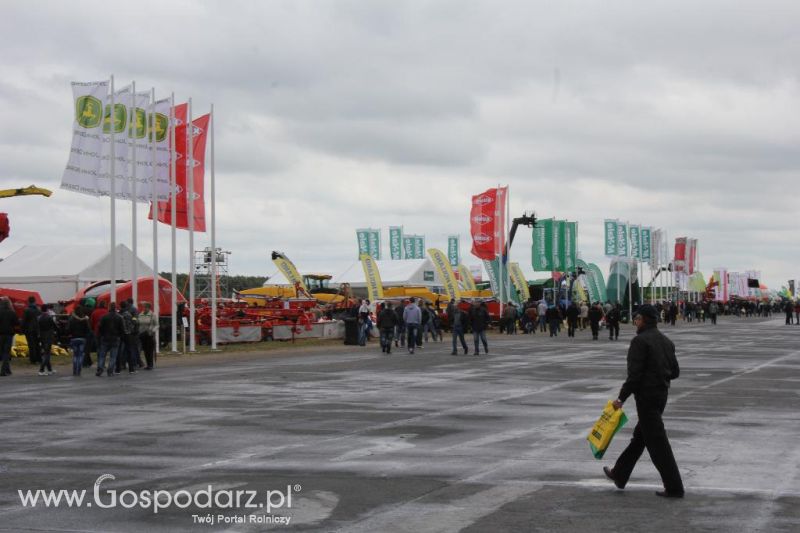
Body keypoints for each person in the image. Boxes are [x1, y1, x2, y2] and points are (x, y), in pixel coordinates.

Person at [603, 304, 684, 498]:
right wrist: (659, 376)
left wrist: (621, 398)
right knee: (641, 438)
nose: (635, 322)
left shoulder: (640, 342)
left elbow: (635, 376)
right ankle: (619, 474)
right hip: (661, 396)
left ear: (644, 320)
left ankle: (674, 487)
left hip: (646, 398)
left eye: (637, 319)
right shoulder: (666, 341)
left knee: (658, 443)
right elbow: (675, 372)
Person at [96, 302, 124, 377]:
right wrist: (120, 336)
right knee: (113, 356)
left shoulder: (104, 317)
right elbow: (122, 329)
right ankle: (110, 370)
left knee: (102, 355)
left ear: (109, 308)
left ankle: (100, 369)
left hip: (105, 338)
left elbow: (100, 327)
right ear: (115, 308)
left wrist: (101, 335)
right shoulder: (119, 317)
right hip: (115, 338)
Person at [67, 307, 91, 376]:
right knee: (80, 355)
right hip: (82, 339)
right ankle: (79, 370)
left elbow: (68, 330)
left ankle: (74, 370)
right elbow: (88, 329)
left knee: (75, 355)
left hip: (74, 338)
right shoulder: (84, 319)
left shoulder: (71, 319)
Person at [0, 297, 19, 376]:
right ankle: (3, 371)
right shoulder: (12, 313)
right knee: (6, 353)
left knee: (2, 352)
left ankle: (8, 370)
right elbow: (17, 324)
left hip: (0, 335)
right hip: (8, 334)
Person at [37, 304, 57, 376]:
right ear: (47, 309)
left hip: (42, 337)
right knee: (47, 353)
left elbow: (37, 328)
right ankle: (41, 369)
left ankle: (49, 369)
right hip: (48, 336)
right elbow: (54, 326)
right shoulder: (49, 317)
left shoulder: (38, 318)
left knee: (46, 352)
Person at [137, 302, 158, 370]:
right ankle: (148, 364)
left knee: (150, 350)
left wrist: (152, 330)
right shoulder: (140, 314)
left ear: (149, 308)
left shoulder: (152, 315)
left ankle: (150, 364)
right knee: (145, 351)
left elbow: (157, 325)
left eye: (145, 307)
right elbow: (138, 323)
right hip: (142, 335)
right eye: (144, 307)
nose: (144, 308)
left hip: (149, 334)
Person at [22, 296, 41, 365]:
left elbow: (24, 321)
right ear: (34, 301)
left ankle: (33, 360)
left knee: (31, 345)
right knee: (37, 344)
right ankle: (39, 358)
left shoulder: (27, 310)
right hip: (37, 330)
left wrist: (22, 329)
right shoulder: (38, 309)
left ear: (29, 301)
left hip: (29, 330)